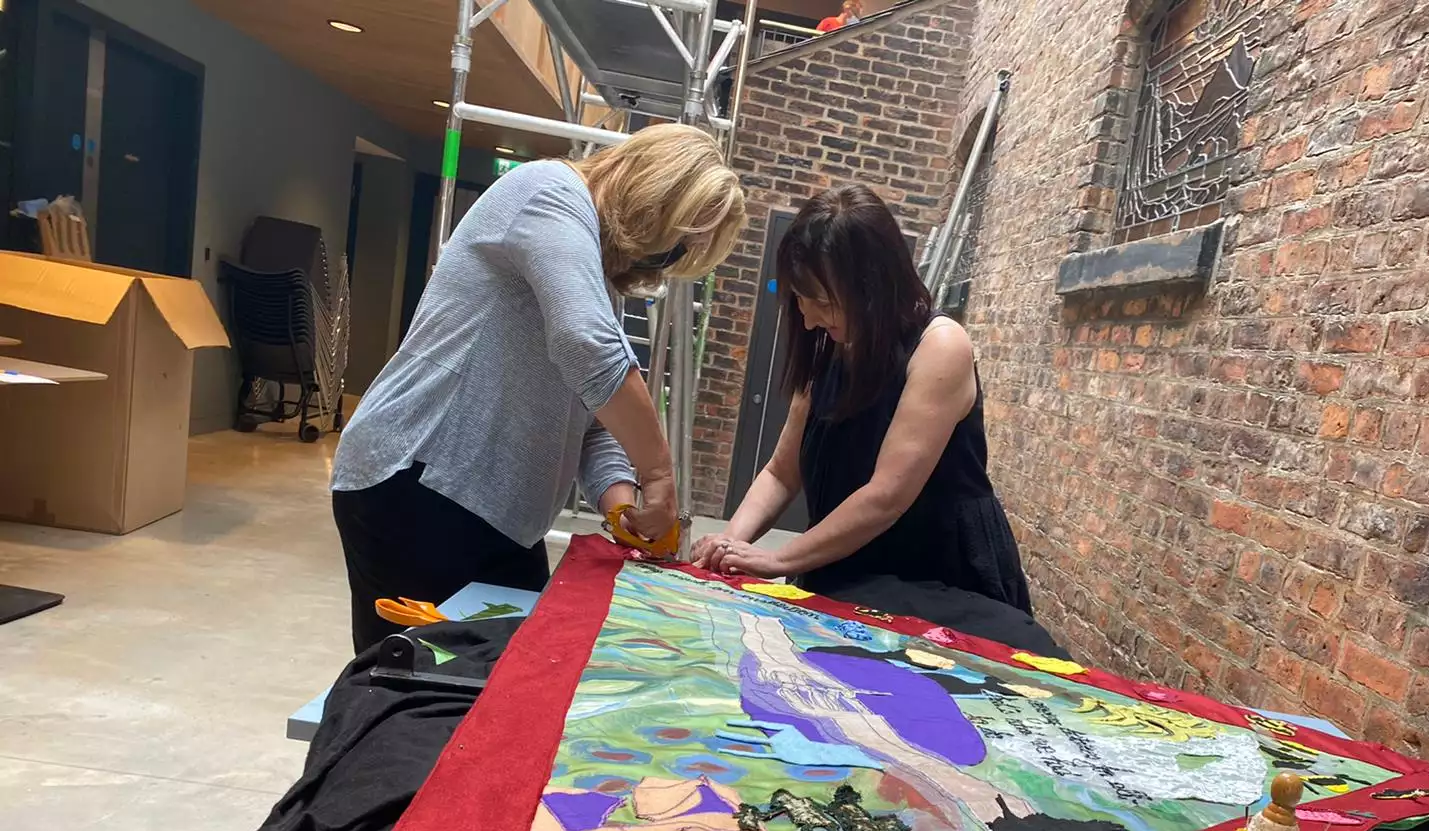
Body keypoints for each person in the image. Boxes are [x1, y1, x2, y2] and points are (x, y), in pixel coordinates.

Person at [331, 124, 745, 652]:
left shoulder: (592, 276)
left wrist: (624, 508)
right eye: (671, 247)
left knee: (509, 679)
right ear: (651, 199)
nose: (661, 263)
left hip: (496, 514)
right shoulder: (547, 191)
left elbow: (594, 422)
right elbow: (587, 346)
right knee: (419, 691)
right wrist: (658, 474)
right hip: (418, 483)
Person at [691, 184, 1030, 614]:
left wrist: (778, 560)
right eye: (799, 299)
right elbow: (781, 473)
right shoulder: (831, 348)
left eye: (823, 302)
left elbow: (886, 495)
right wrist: (732, 543)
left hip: (938, 573)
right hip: (849, 562)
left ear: (874, 291)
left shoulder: (941, 346)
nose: (809, 318)